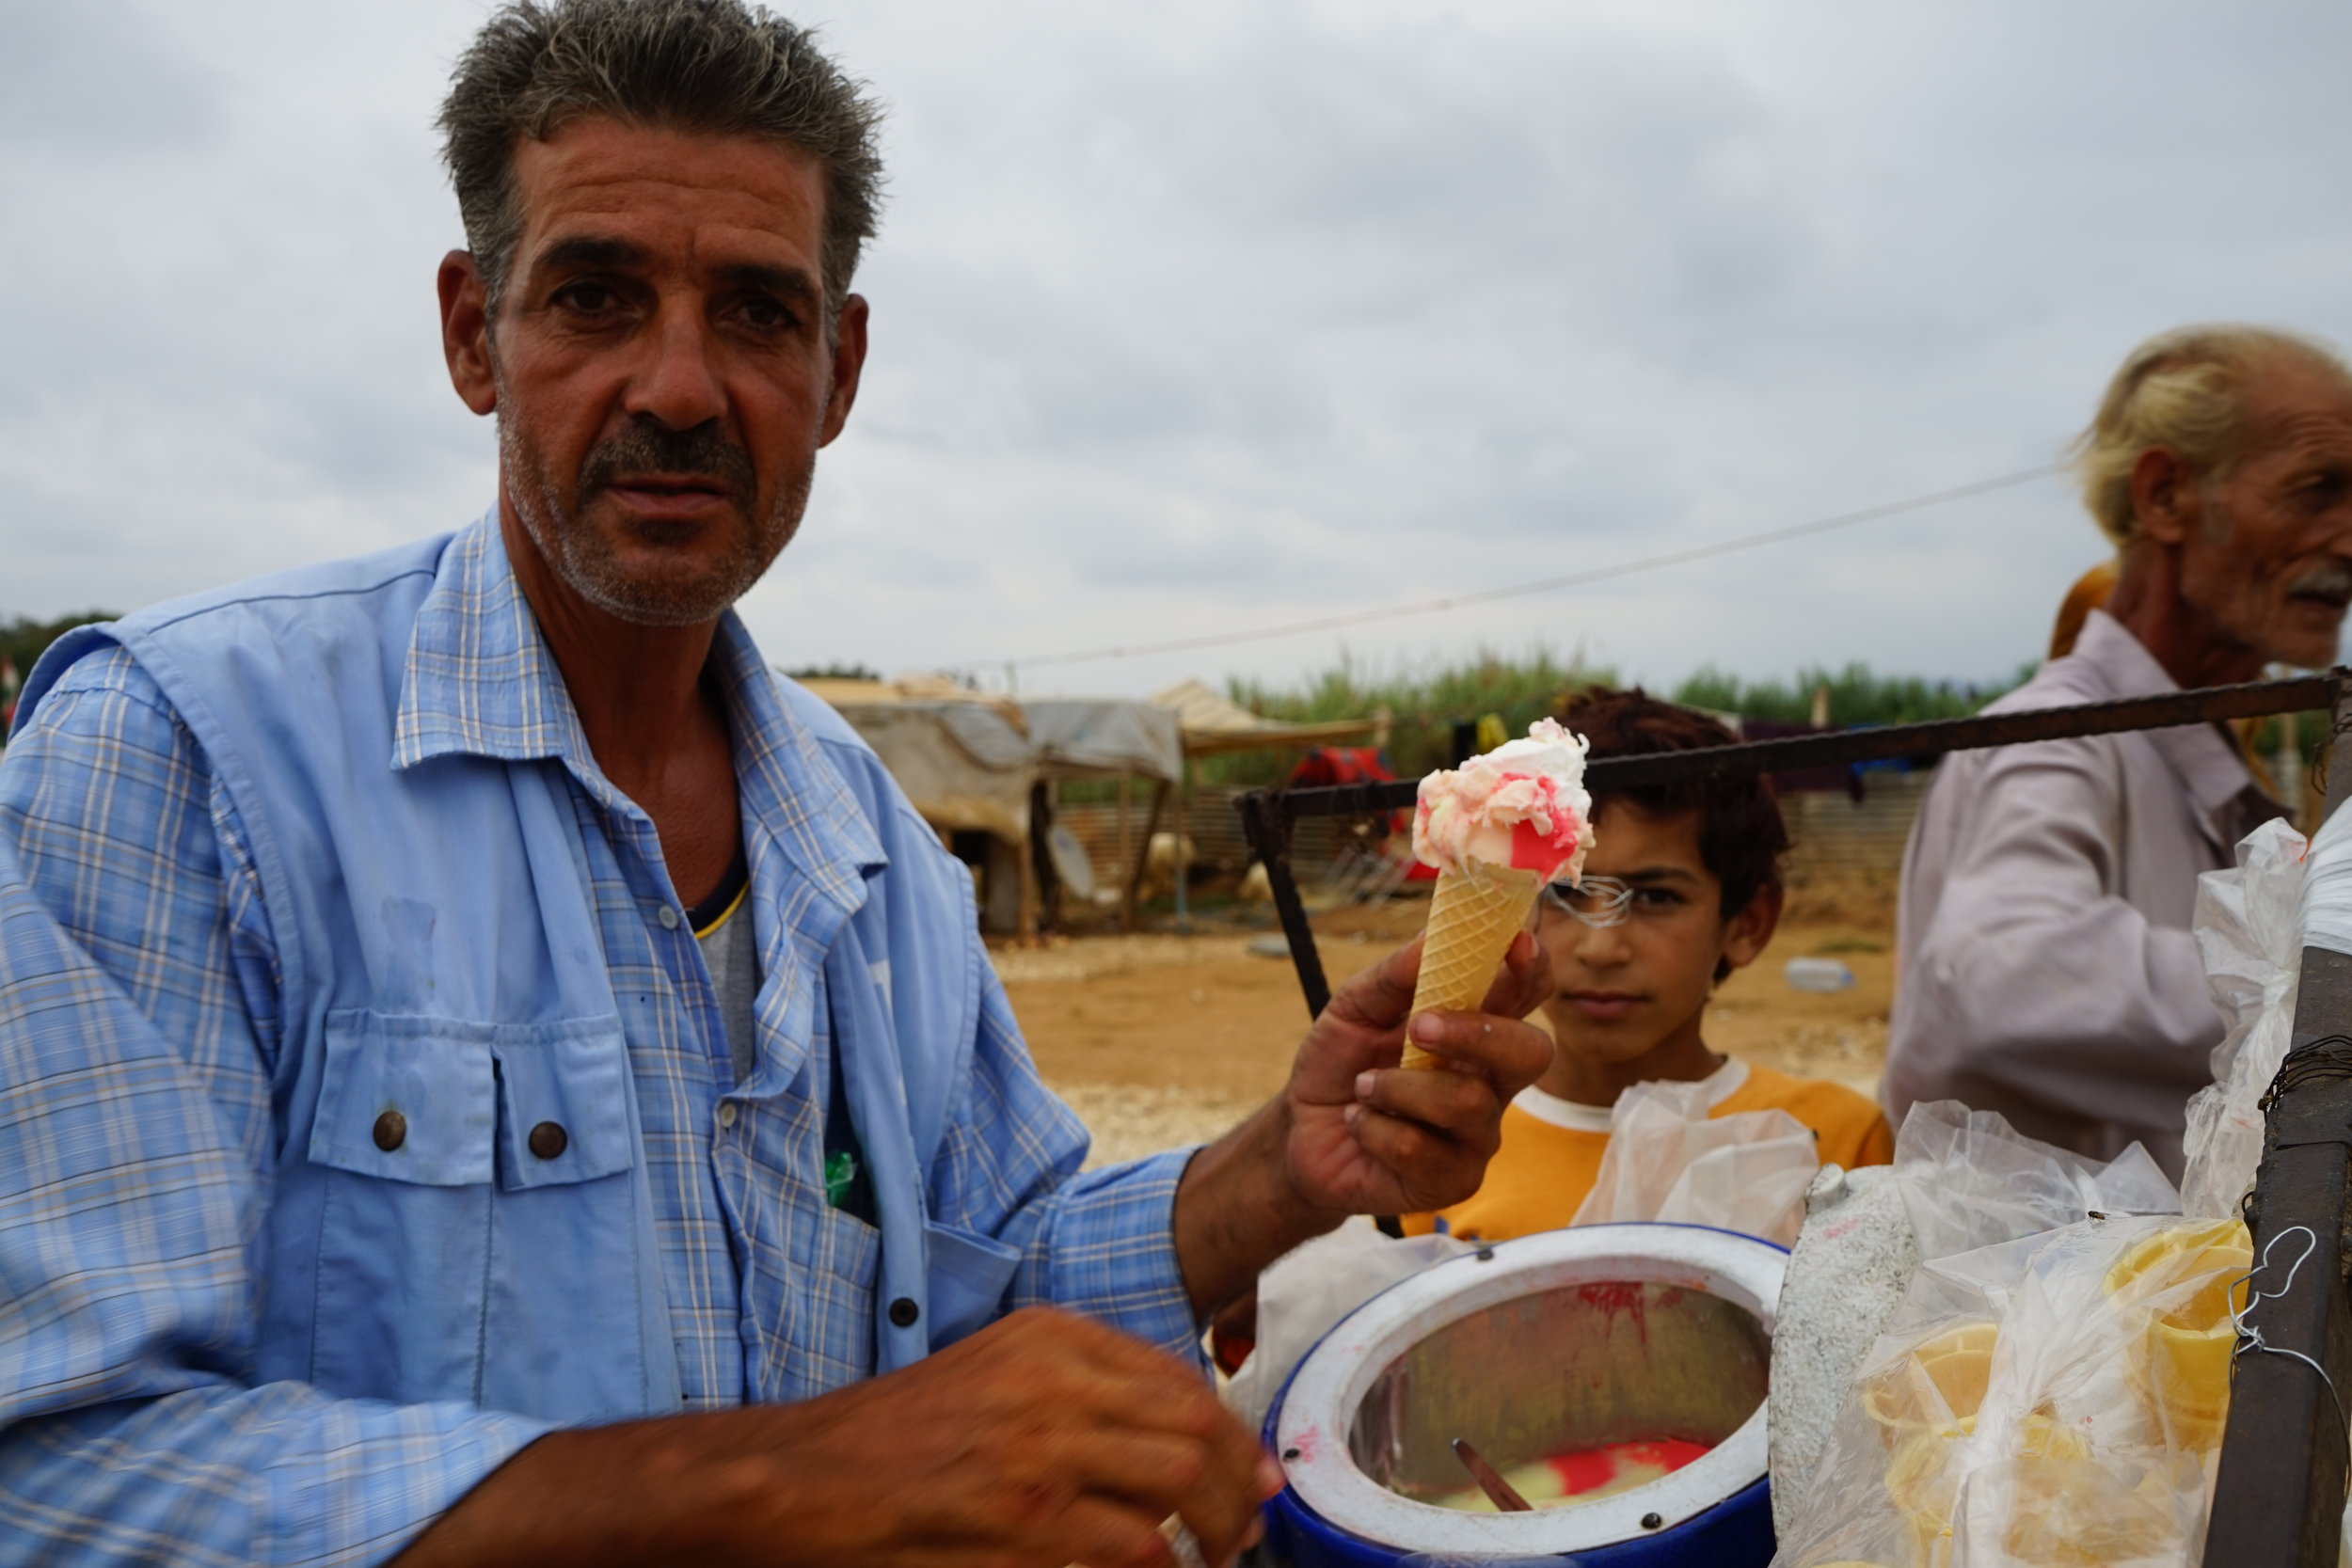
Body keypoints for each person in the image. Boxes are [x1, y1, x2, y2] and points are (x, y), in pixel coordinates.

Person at [0, 6, 1559, 1564]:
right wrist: (780, 1482)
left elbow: (987, 1297)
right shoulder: (185, 759)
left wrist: (1276, 1171)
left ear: (840, 367)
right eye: (596, 297)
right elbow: (61, 1467)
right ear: (475, 334)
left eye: (756, 313)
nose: (678, 388)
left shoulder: (867, 844)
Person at [1885, 324, 2352, 1176]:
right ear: (2167, 496)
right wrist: (2326, 995)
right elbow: (2004, 978)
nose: (2349, 538)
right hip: (2029, 1301)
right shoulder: (2062, 740)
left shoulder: (2190, 761)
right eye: (2316, 490)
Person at [1402, 689, 1893, 1243]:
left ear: (1747, 923)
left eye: (1657, 897)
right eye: (1564, 894)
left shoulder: (1838, 1144)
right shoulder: (1438, 1143)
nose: (1600, 949)